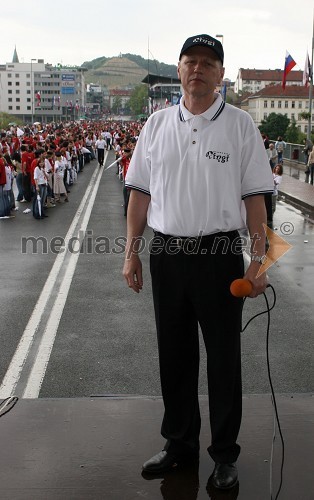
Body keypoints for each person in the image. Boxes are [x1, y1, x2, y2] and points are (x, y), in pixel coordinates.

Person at [123, 34, 274, 491]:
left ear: (220, 74)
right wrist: (131, 251)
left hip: (219, 256)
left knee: (224, 360)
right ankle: (180, 444)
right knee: (176, 355)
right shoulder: (156, 124)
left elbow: (256, 201)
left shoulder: (240, 126)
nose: (198, 69)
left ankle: (224, 455)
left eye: (209, 63)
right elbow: (139, 193)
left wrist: (260, 261)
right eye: (191, 61)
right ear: (180, 68)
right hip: (167, 253)